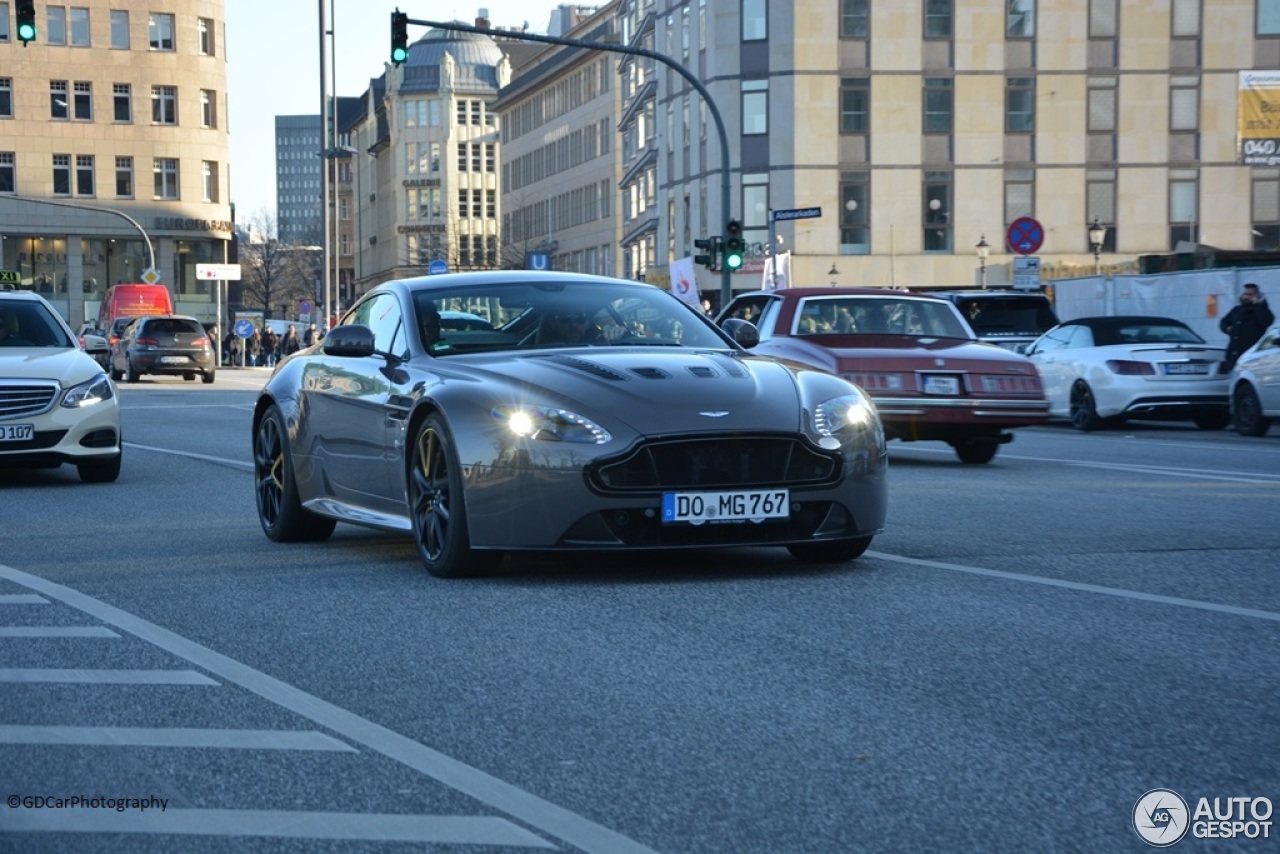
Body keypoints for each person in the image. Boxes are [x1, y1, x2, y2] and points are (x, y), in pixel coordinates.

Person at [1220, 283, 1275, 370]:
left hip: (1251, 356)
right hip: (1234, 356)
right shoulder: (1237, 310)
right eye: (1245, 294)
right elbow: (1223, 322)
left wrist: (1257, 305)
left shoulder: (1262, 311)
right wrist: (1227, 329)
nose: (1246, 297)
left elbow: (1266, 322)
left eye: (1250, 294)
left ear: (1257, 296)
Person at [534, 304, 626, 346]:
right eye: (565, 317)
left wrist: (619, 334)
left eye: (580, 318)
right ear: (553, 324)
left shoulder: (600, 345)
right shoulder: (537, 355)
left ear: (587, 323)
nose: (573, 324)